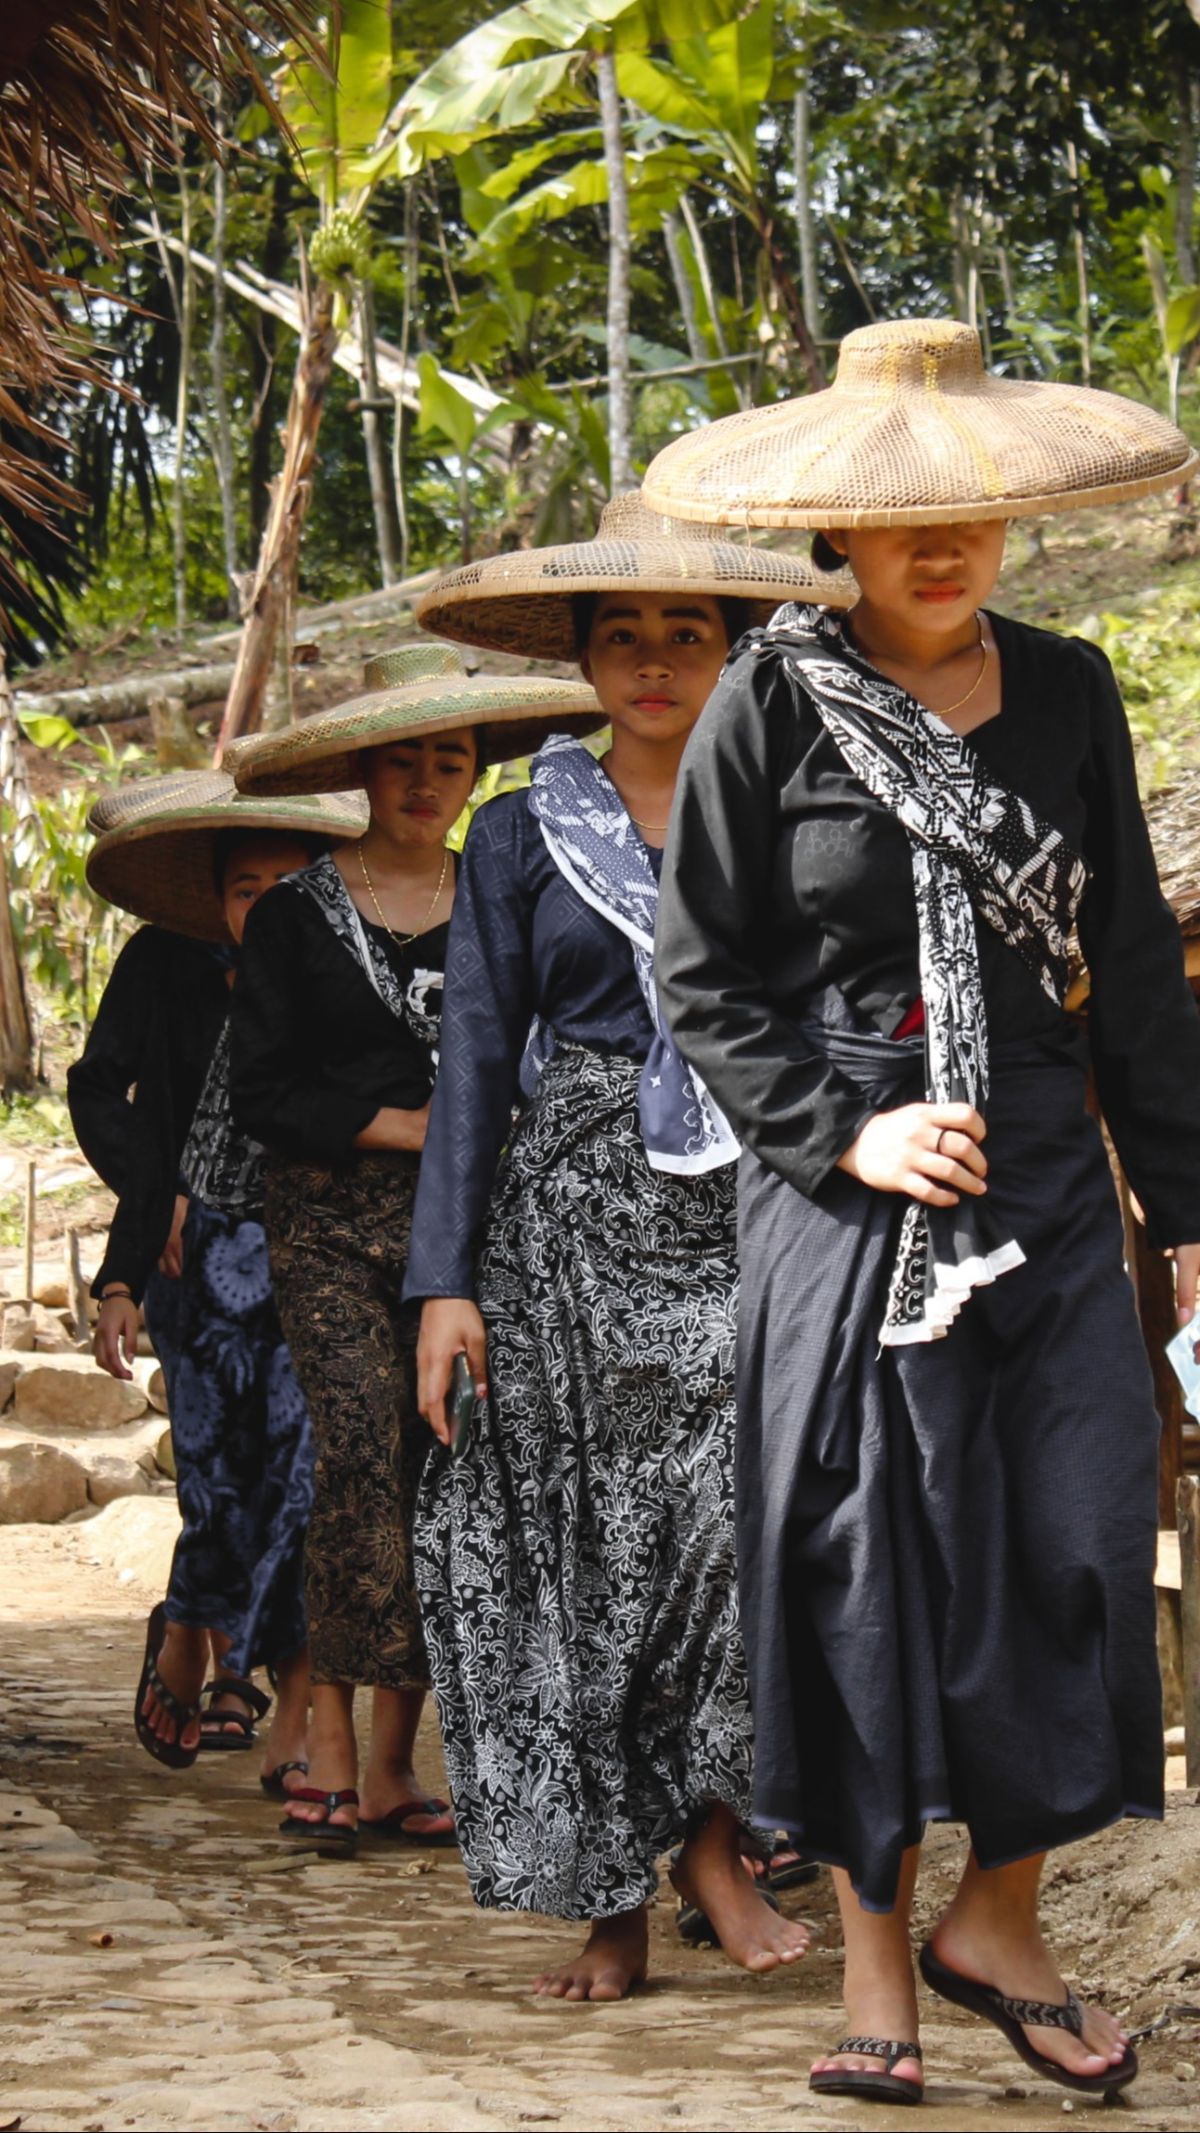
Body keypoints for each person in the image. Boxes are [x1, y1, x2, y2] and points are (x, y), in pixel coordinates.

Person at [648, 317, 1200, 2103]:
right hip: (846, 1187)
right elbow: (706, 978)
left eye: (968, 514)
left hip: (1044, 1168)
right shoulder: (770, 699)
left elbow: (1130, 967)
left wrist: (1184, 1210)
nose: (940, 545)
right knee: (859, 1559)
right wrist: (843, 1137)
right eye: (902, 522)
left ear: (1009, 520)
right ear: (843, 533)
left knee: (1083, 1534)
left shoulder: (1073, 690)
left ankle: (1002, 1915)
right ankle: (875, 1973)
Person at [407, 497, 849, 2000]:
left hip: (755, 1205)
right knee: (589, 1559)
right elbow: (474, 1055)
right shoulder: (523, 829)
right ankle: (615, 1892)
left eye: (687, 634)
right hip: (566, 1240)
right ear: (585, 662)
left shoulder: (791, 804)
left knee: (745, 1526)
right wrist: (443, 1284)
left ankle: (716, 1837)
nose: (654, 662)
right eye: (622, 636)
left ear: (733, 652)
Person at [227, 645, 602, 1855]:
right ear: (364, 771)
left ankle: (396, 1763)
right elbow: (265, 1091)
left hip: (471, 1226)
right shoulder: (294, 914)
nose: (429, 778)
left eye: (450, 758)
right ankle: (326, 1731)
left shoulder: (509, 892)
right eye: (405, 758)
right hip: (331, 1222)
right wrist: (422, 1126)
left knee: (446, 1471)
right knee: (359, 1460)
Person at [78, 772, 364, 1779]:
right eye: (248, 887)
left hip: (314, 1253)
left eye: (291, 886)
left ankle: (276, 1688)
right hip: (191, 1266)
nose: (268, 908)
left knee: (299, 1480)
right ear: (214, 895)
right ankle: (193, 1633)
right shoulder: (163, 965)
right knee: (216, 1481)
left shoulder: (343, 973)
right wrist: (151, 1213)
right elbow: (99, 1089)